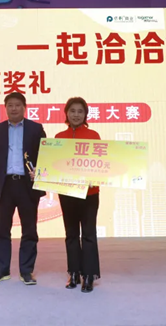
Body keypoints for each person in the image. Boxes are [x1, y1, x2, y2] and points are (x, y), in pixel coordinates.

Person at [0, 92, 46, 285]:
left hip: (27, 186)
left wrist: (41, 174)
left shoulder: (35, 128)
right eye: (10, 105)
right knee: (2, 230)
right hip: (5, 185)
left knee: (29, 230)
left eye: (18, 105)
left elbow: (46, 154)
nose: (14, 108)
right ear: (5, 108)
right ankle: (2, 270)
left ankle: (26, 271)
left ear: (24, 107)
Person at [55, 97, 101, 293]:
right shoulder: (59, 138)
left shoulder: (93, 136)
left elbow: (101, 164)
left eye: (80, 111)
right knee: (71, 234)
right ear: (66, 113)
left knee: (88, 234)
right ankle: (73, 273)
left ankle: (89, 275)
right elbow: (54, 165)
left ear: (85, 114)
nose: (76, 114)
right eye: (72, 111)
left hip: (89, 193)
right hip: (67, 192)